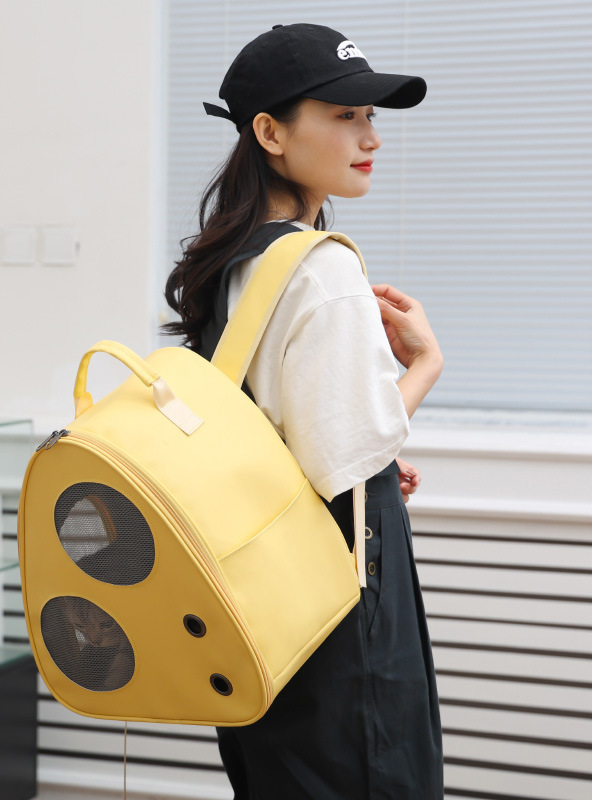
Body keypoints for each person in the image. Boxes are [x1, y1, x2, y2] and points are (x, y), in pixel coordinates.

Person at [163, 23, 444, 800]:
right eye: (345, 115)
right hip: (337, 600)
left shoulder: (235, 259)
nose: (371, 138)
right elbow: (341, 456)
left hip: (259, 601)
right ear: (270, 132)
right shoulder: (324, 268)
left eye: (372, 118)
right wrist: (424, 366)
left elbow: (270, 431)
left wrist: (373, 454)